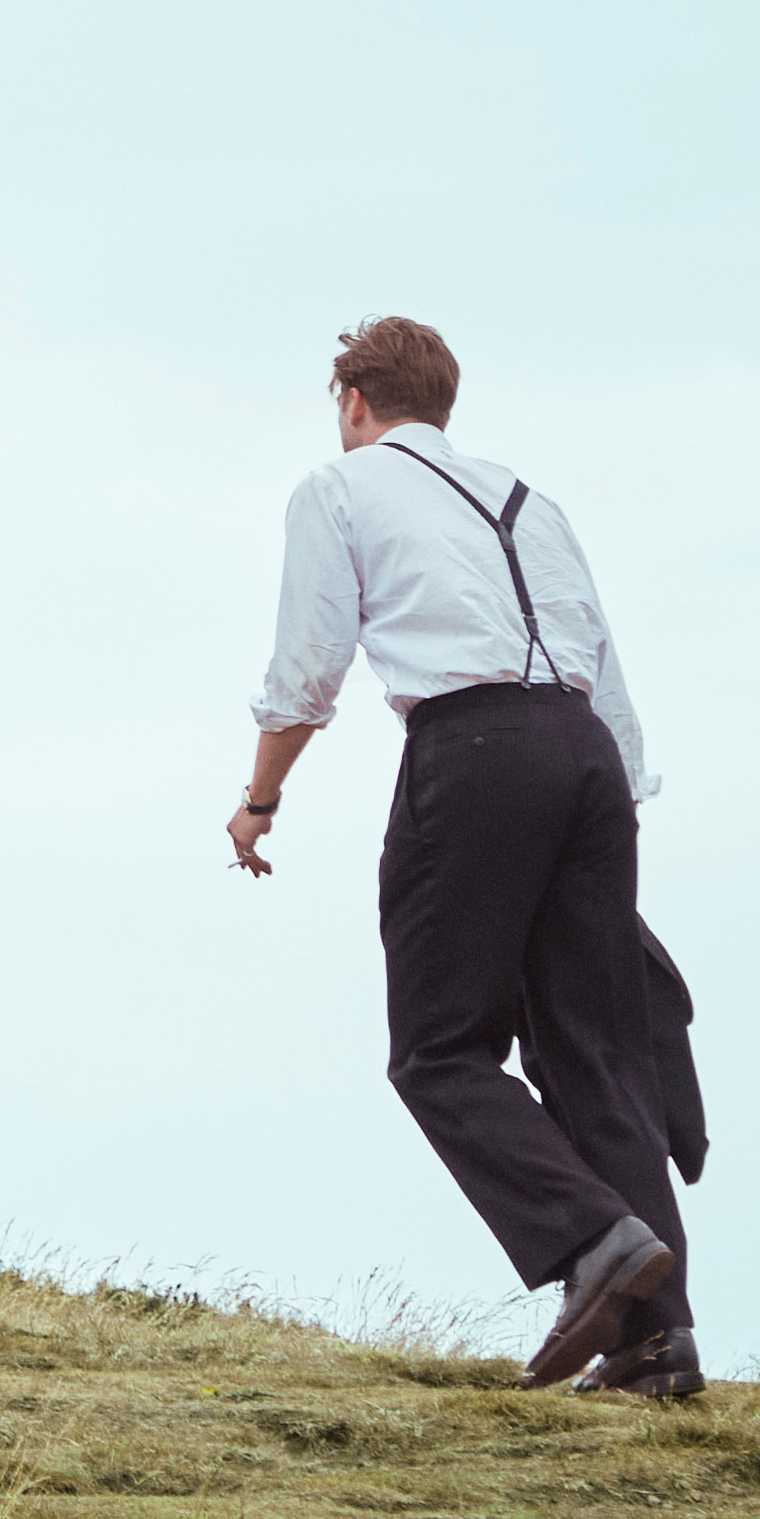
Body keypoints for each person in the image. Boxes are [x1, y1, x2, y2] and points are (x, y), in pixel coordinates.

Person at [230, 314, 700, 1401]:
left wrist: (259, 798)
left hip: (474, 749)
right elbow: (608, 684)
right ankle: (658, 1346)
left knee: (437, 1050)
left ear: (353, 400)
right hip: (584, 763)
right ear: (442, 402)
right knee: (596, 1057)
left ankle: (595, 1241)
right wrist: (598, 829)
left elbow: (308, 665)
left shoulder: (337, 489)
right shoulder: (532, 502)